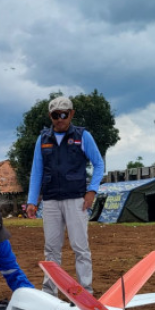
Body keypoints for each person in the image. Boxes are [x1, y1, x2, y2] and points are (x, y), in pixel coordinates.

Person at [25, 96, 105, 295]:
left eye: (64, 114)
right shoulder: (42, 139)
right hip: (51, 200)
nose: (60, 119)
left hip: (76, 199)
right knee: (51, 249)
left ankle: (85, 291)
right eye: (55, 115)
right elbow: (37, 171)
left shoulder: (82, 136)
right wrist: (31, 201)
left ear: (71, 114)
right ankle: (50, 293)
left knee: (80, 248)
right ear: (50, 116)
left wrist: (92, 191)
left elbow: (99, 164)